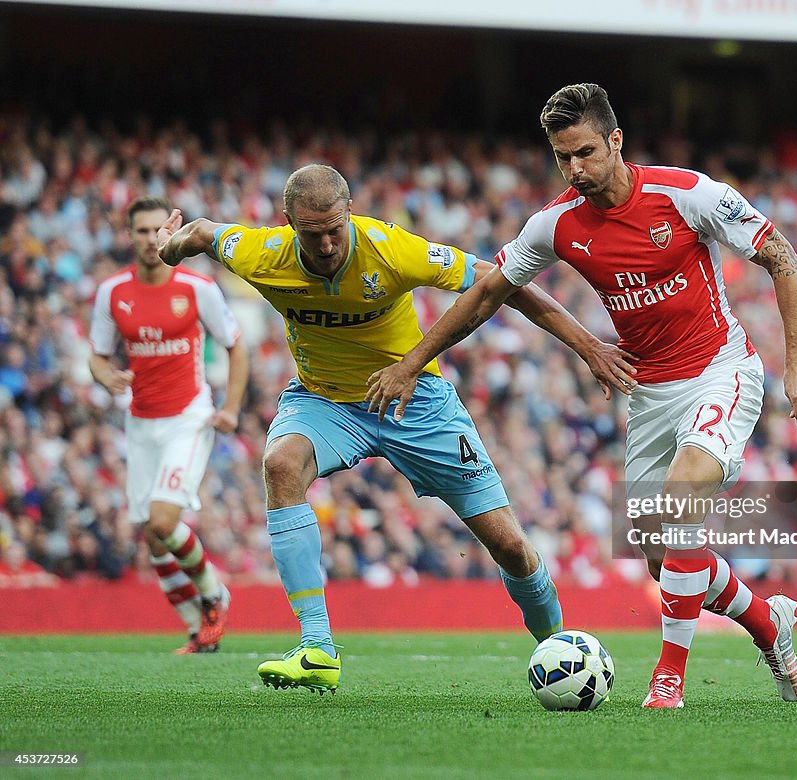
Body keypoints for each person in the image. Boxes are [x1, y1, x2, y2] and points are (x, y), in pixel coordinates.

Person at [366, 83, 797, 709]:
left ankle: (669, 676)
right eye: (563, 157)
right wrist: (412, 363)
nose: (575, 169)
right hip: (648, 394)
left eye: (586, 152)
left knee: (680, 505)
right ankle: (766, 625)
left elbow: (780, 255)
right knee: (660, 559)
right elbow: (488, 293)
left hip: (721, 371)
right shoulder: (556, 224)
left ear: (616, 141)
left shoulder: (687, 193)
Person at [156, 163, 633, 694]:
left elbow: (503, 284)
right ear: (288, 223)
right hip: (327, 401)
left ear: (351, 211)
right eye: (312, 234)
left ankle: (558, 646)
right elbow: (200, 234)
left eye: (336, 227)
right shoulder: (260, 252)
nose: (328, 243)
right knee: (280, 463)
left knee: (511, 548)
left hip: (417, 402)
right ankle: (316, 648)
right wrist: (168, 249)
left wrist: (588, 345)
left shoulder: (391, 248)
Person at [89, 196, 249, 654]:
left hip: (188, 418)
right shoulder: (113, 292)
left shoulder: (197, 289)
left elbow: (237, 346)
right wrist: (107, 377)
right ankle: (198, 628)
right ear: (129, 235)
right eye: (140, 230)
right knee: (154, 538)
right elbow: (97, 357)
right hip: (140, 423)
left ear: (170, 232)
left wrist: (232, 407)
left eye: (157, 229)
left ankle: (215, 594)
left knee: (162, 520)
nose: (148, 238)